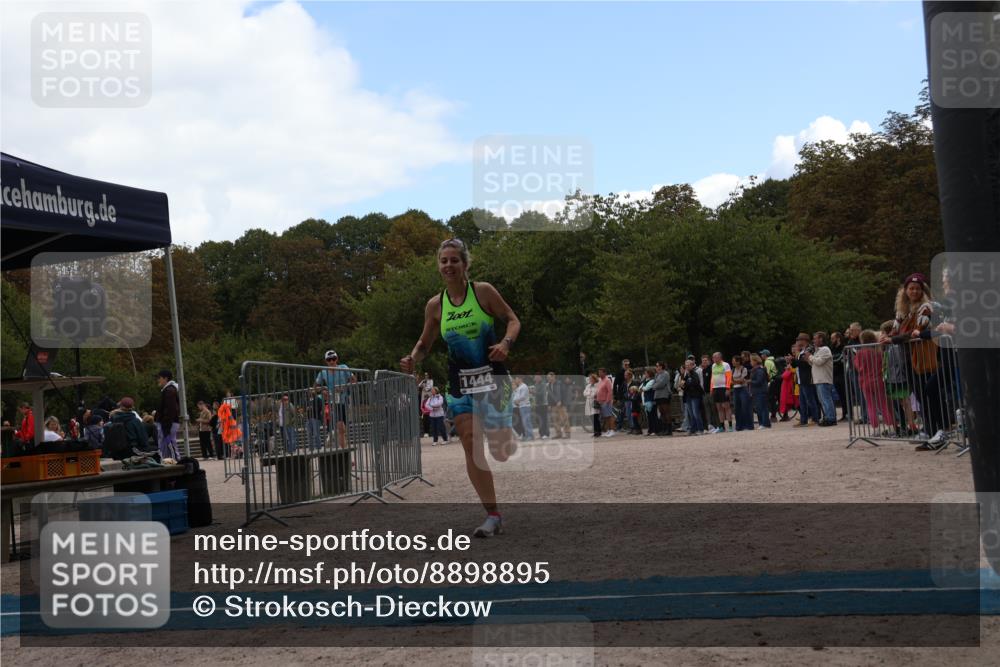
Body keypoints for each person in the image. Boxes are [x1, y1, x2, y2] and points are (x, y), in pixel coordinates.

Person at [400, 237, 520, 538]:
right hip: (460, 383)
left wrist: (506, 343)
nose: (449, 265)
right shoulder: (435, 305)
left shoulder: (483, 292)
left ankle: (507, 435)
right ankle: (493, 515)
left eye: (454, 260)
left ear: (465, 264)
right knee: (469, 441)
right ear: (438, 266)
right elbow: (424, 343)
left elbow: (512, 320)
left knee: (501, 451)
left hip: (492, 377)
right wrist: (413, 358)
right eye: (444, 261)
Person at [881, 273, 945, 449]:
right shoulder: (903, 311)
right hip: (908, 359)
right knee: (919, 395)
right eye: (911, 288)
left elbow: (916, 332)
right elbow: (895, 331)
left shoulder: (926, 308)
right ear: (905, 290)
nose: (914, 291)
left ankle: (938, 430)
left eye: (917, 288)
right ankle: (930, 430)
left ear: (922, 290)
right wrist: (887, 337)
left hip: (923, 358)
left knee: (928, 394)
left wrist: (893, 340)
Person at [853, 329, 896, 434]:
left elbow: (857, 367)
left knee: (870, 406)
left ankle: (875, 429)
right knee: (884, 405)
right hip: (878, 381)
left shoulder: (860, 353)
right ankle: (891, 428)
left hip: (865, 381)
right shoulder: (878, 352)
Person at [316, 350, 355, 449]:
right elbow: (315, 387)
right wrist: (323, 391)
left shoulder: (343, 367)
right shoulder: (323, 372)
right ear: (326, 361)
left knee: (343, 428)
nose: (332, 361)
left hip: (345, 400)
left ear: (337, 359)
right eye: (329, 360)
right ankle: (344, 453)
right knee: (341, 427)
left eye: (333, 359)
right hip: (334, 402)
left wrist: (344, 387)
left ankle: (343, 449)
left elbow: (354, 380)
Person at [808, 331, 837, 426]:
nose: (813, 340)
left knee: (826, 399)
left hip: (823, 379)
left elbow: (819, 362)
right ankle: (827, 417)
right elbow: (814, 364)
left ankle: (831, 418)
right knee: (822, 400)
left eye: (815, 338)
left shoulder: (825, 349)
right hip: (818, 379)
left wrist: (810, 357)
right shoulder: (817, 350)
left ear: (821, 339)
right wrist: (808, 359)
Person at [791, 335, 820, 427]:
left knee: (810, 400)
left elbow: (806, 364)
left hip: (807, 378)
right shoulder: (801, 351)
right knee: (802, 401)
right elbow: (795, 365)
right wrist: (791, 360)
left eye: (798, 340)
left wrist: (796, 359)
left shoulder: (809, 350)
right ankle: (803, 420)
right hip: (800, 379)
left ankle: (815, 418)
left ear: (804, 341)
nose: (797, 342)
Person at [155, 369, 181, 460]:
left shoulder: (169, 391)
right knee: (166, 445)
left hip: (167, 424)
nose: (158, 380)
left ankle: (176, 463)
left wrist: (166, 426)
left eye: (159, 378)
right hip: (168, 423)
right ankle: (168, 462)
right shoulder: (168, 390)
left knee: (169, 444)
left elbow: (170, 409)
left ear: (165, 378)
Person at [681, 358, 705, 435]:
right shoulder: (686, 375)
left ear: (692, 365)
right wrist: (682, 385)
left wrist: (686, 384)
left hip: (695, 396)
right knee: (691, 414)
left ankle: (700, 429)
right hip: (688, 396)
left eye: (688, 365)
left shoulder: (695, 374)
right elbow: (682, 385)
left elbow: (695, 383)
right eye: (686, 365)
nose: (687, 367)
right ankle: (693, 429)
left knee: (696, 413)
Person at [710, 352, 732, 433]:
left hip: (723, 387)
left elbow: (729, 377)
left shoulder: (726, 365)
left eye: (715, 357)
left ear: (720, 357)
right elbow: (712, 378)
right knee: (719, 408)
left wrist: (728, 388)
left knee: (726, 406)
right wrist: (711, 388)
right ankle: (722, 426)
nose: (713, 359)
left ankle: (730, 426)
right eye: (713, 358)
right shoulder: (713, 366)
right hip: (716, 388)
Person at [829, 332, 848, 422]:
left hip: (843, 374)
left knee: (846, 394)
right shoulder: (832, 349)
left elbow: (840, 359)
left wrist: (833, 362)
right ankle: (844, 414)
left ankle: (848, 413)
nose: (831, 340)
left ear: (838, 338)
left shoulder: (844, 347)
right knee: (840, 395)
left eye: (833, 338)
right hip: (835, 374)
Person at [749, 354, 772, 429]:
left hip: (761, 391)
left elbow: (759, 381)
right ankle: (762, 423)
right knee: (759, 407)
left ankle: (764, 423)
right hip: (757, 391)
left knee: (762, 407)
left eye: (751, 360)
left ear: (755, 361)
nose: (750, 362)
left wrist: (750, 381)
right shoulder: (755, 369)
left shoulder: (760, 370)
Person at [731, 355, 752, 431]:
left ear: (738, 362)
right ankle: (739, 426)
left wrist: (735, 381)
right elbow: (732, 381)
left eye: (734, 361)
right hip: (736, 390)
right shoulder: (733, 370)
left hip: (743, 389)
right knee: (737, 408)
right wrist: (737, 381)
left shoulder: (744, 369)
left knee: (745, 407)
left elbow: (742, 380)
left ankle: (748, 425)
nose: (732, 362)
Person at [512, 377, 534, 441]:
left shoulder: (524, 386)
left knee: (527, 421)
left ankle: (530, 436)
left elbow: (523, 396)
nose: (516, 380)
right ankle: (527, 435)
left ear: (520, 379)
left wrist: (517, 400)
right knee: (524, 422)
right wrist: (515, 400)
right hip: (521, 406)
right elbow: (516, 396)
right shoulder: (519, 387)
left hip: (525, 406)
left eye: (516, 378)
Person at [596, 368, 616, 437]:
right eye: (599, 372)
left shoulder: (607, 380)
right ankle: (608, 430)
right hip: (601, 401)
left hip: (606, 401)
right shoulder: (600, 380)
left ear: (604, 373)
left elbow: (610, 391)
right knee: (605, 417)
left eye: (600, 372)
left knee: (609, 416)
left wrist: (607, 401)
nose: (599, 374)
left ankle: (612, 430)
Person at [779, 352, 798, 420]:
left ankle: (785, 416)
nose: (786, 358)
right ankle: (785, 415)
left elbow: (785, 376)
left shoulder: (790, 367)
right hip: (786, 385)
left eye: (787, 357)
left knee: (786, 400)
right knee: (785, 400)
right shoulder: (788, 366)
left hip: (788, 386)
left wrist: (786, 370)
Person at [532, 373, 550, 440]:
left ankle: (546, 434)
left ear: (540, 377)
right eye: (535, 377)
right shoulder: (536, 384)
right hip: (537, 405)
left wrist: (533, 392)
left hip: (543, 405)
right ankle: (541, 434)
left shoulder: (543, 384)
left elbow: (541, 394)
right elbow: (536, 395)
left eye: (536, 377)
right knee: (538, 420)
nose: (535, 378)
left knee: (544, 420)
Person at [583, 373, 601, 437]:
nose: (590, 380)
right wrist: (589, 393)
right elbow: (584, 393)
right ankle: (595, 431)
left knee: (595, 418)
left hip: (594, 403)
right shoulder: (588, 385)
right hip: (588, 402)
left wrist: (589, 394)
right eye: (589, 379)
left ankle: (598, 431)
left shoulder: (597, 385)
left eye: (591, 378)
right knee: (591, 418)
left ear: (594, 379)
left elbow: (595, 393)